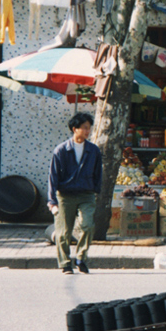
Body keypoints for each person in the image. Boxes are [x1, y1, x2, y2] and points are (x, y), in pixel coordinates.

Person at [48, 113, 102, 274]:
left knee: (87, 226)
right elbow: (53, 177)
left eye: (89, 128)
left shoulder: (93, 150)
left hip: (87, 194)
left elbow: (98, 173)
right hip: (65, 195)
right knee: (63, 232)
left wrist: (96, 190)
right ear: (75, 129)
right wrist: (52, 201)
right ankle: (65, 263)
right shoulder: (61, 150)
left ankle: (81, 258)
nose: (88, 131)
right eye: (84, 128)